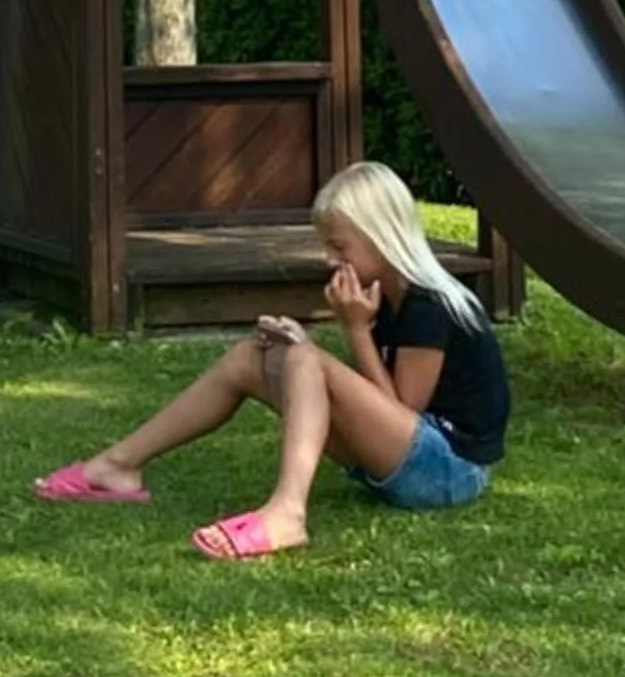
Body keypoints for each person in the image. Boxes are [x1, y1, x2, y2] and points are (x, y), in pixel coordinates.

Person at [31, 161, 510, 559]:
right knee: (252, 358)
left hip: (450, 472)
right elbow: (377, 404)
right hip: (405, 459)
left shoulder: (430, 305)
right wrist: (310, 346)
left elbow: (404, 414)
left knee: (304, 358)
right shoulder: (383, 295)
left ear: (382, 237)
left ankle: (287, 513)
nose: (328, 259)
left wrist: (353, 331)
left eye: (340, 247)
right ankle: (118, 465)